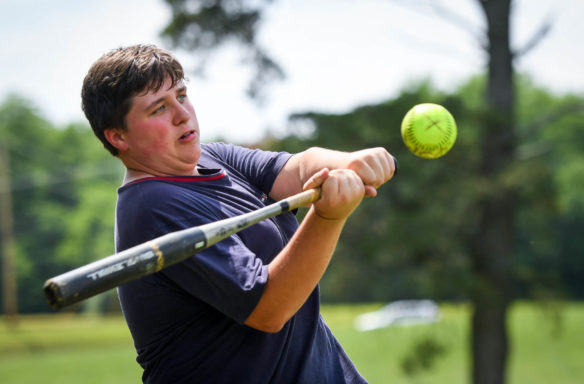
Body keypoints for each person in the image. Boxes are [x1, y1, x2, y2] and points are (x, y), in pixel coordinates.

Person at [81, 44, 396, 383]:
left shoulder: (214, 158)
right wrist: (328, 218)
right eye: (159, 108)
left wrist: (349, 163)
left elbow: (295, 169)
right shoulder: (152, 206)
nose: (182, 114)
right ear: (118, 137)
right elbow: (269, 307)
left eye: (182, 95)